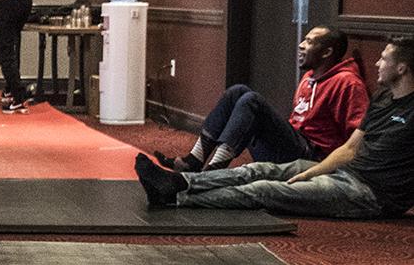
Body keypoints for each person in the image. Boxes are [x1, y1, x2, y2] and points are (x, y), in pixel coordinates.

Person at [133, 37, 414, 218]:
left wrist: (310, 173)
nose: (377, 63)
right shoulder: (383, 100)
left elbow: (346, 147)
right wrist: (311, 172)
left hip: (371, 195)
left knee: (264, 189)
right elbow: (351, 148)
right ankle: (183, 180)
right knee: (256, 170)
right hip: (341, 169)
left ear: (401, 68)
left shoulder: (353, 86)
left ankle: (178, 197)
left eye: (384, 59)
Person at [154, 26, 367, 171]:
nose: (301, 45)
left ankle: (214, 171)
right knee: (237, 91)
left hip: (312, 158)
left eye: (310, 42)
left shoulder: (347, 83)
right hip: (292, 145)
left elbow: (359, 137)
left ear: (327, 52)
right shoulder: (310, 77)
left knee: (251, 101)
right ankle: (194, 160)